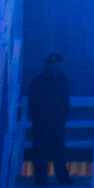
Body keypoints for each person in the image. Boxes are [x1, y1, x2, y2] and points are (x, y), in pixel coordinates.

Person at [27, 51, 74, 181]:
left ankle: (62, 176)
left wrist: (64, 116)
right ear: (48, 65)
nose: (56, 67)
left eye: (58, 64)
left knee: (58, 149)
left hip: (57, 122)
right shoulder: (39, 81)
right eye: (53, 64)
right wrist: (40, 117)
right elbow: (33, 102)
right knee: (41, 150)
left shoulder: (62, 79)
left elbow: (65, 100)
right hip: (43, 122)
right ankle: (41, 178)